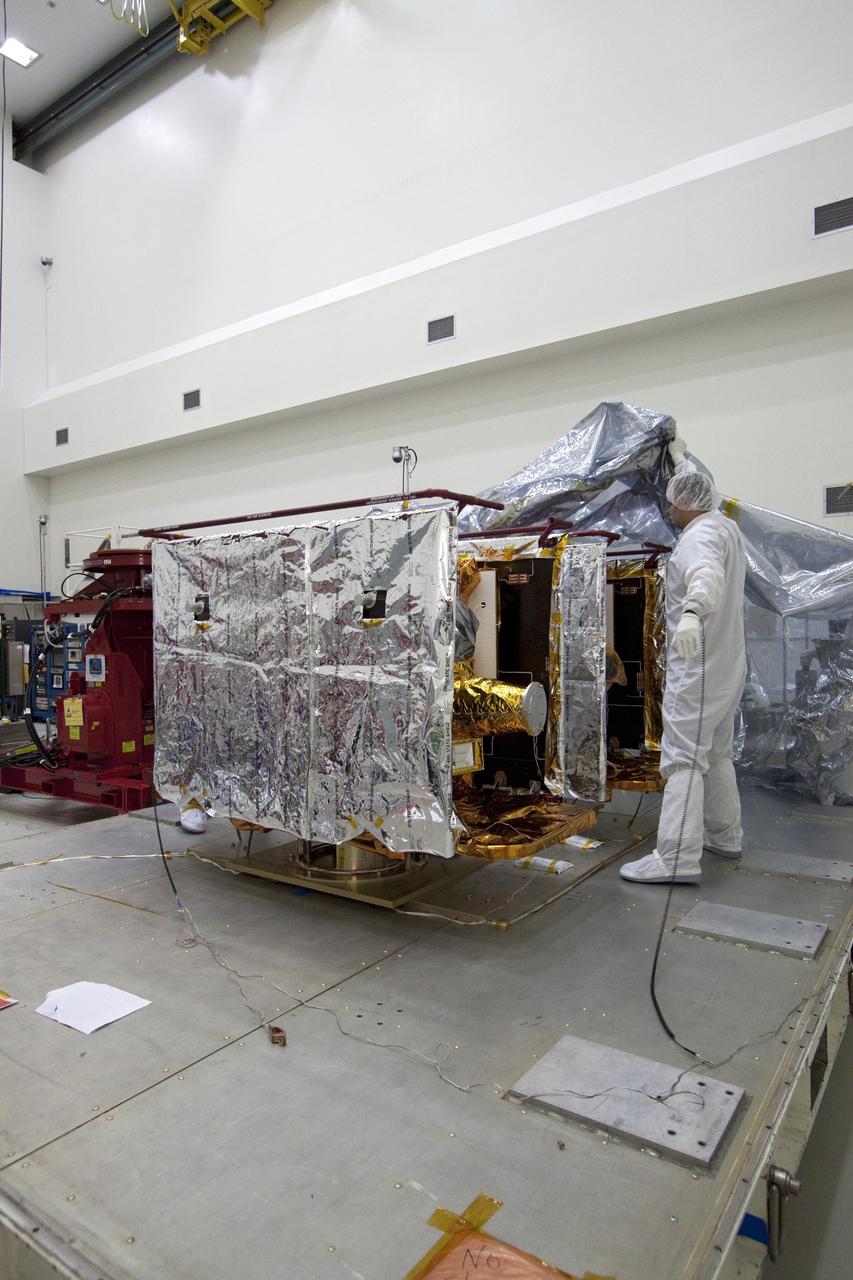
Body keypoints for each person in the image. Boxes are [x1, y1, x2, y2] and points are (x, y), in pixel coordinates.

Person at [620, 438, 746, 884]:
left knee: (683, 758)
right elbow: (696, 483)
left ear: (687, 505)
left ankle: (674, 858)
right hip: (727, 664)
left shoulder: (699, 537)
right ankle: (726, 835)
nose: (668, 511)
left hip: (700, 666)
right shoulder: (725, 526)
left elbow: (705, 574)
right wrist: (678, 457)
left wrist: (691, 613)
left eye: (672, 502)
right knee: (715, 752)